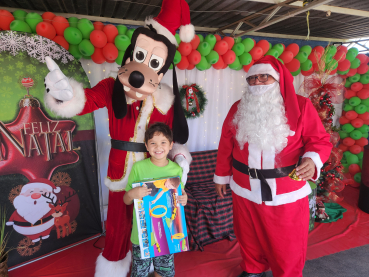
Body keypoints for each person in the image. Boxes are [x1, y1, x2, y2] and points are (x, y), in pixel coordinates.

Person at [43, 1, 194, 275]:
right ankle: (113, 268)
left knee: (151, 224)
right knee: (118, 225)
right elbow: (87, 101)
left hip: (153, 173)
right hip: (120, 171)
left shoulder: (166, 101)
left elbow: (172, 139)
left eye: (154, 62)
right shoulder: (112, 87)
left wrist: (180, 158)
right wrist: (65, 95)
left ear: (162, 70)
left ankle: (149, 267)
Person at [213, 56, 332, 277]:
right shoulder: (237, 108)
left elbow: (320, 141)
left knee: (287, 242)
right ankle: (252, 268)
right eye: (252, 78)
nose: (257, 82)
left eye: (263, 77)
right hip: (243, 186)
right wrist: (221, 176)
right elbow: (225, 145)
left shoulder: (302, 106)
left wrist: (311, 159)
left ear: (277, 80)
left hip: (285, 190)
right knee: (247, 234)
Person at [124, 122, 187, 277]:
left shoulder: (176, 170)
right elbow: (126, 199)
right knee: (139, 272)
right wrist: (133, 193)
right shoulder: (138, 168)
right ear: (146, 145)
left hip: (167, 234)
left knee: (165, 271)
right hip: (142, 234)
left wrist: (184, 199)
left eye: (163, 142)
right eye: (153, 143)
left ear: (171, 145)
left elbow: (181, 195)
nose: (158, 147)